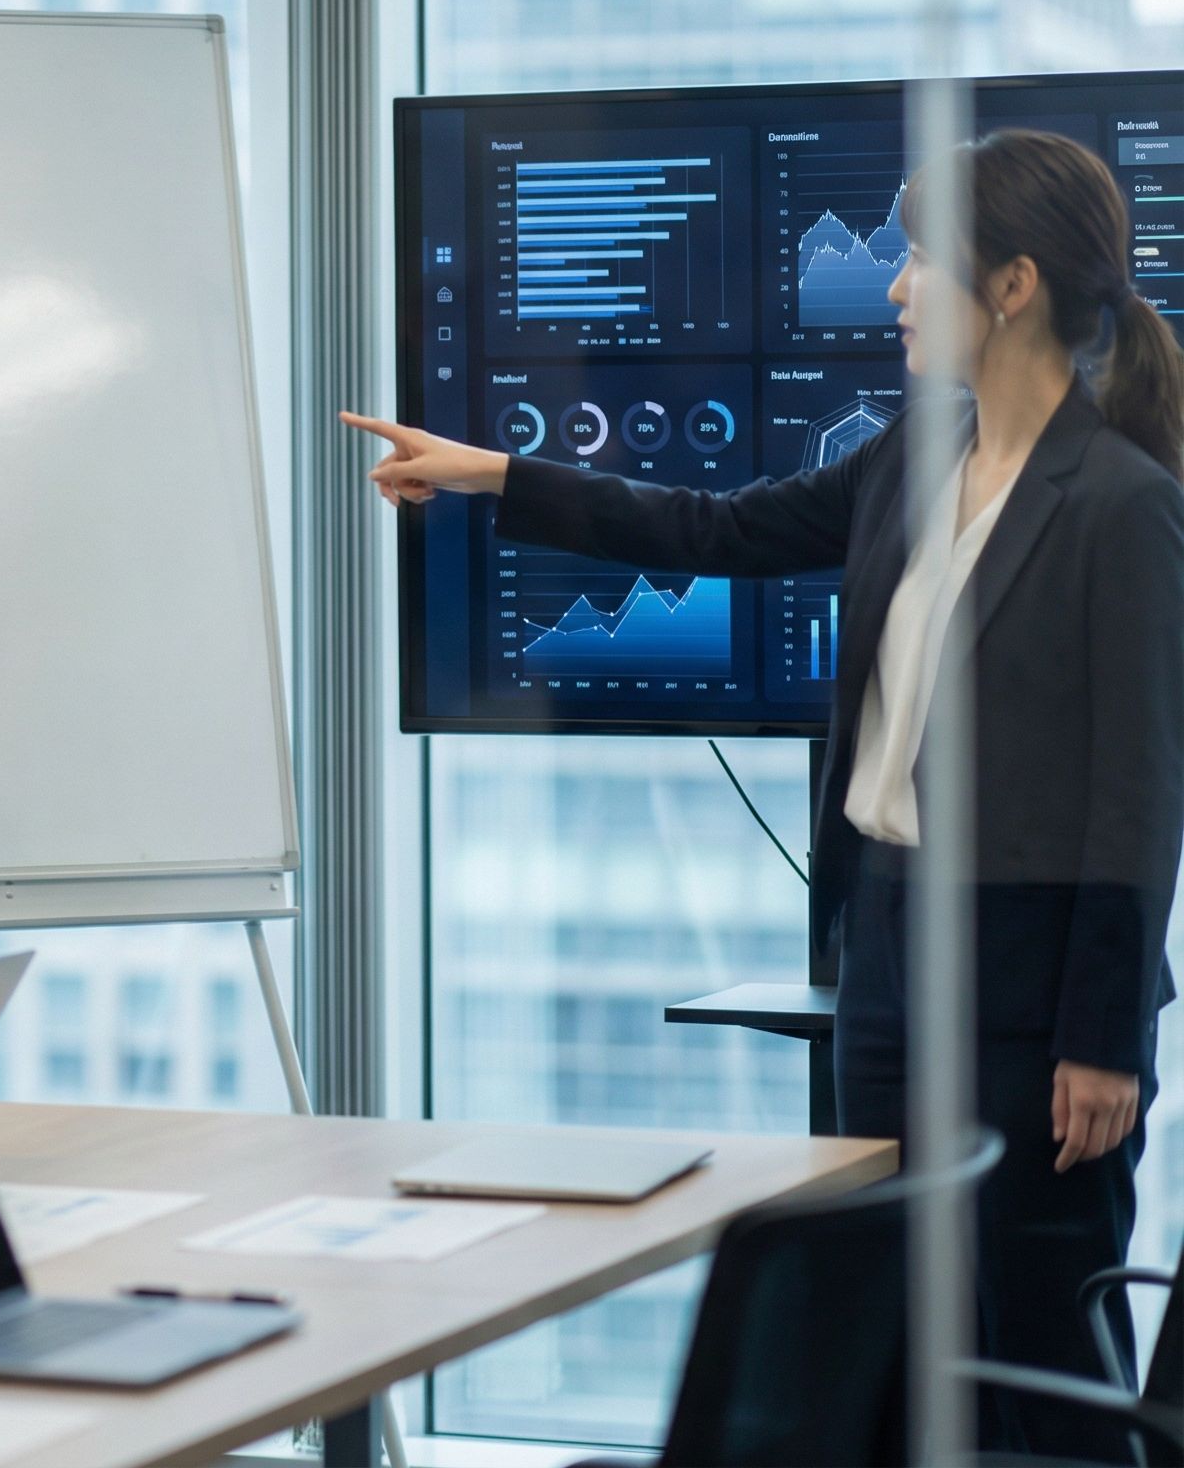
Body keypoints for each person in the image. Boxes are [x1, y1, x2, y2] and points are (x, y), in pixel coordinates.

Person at [348, 128, 1184, 1456]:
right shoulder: (913, 457)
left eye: (924, 259)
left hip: (1035, 987)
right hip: (891, 952)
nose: (898, 288)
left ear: (1012, 285)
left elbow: (1136, 794)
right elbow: (714, 531)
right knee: (893, 1323)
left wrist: (1105, 1039)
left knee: (1030, 1335)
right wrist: (498, 475)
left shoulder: (1123, 504)